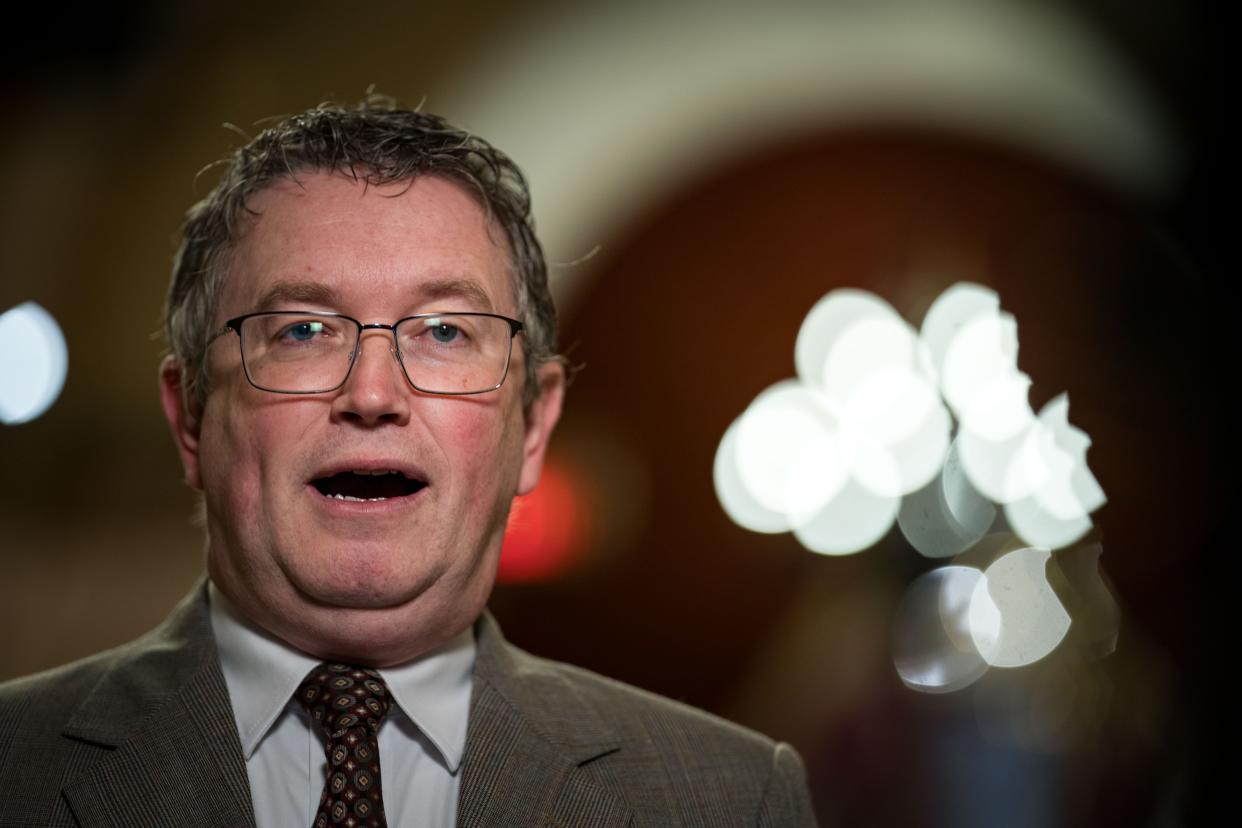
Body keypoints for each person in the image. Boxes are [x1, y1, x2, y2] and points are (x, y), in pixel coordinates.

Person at [0, 98, 818, 827]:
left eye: (445, 333)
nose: (372, 393)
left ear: (532, 426)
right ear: (191, 421)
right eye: (303, 332)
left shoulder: (731, 801)